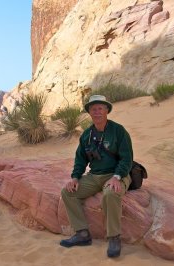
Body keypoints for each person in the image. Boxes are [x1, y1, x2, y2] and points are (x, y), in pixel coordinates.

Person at [60, 95, 133, 258]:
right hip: (95, 176)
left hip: (117, 174)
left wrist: (117, 177)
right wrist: (75, 178)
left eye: (100, 108)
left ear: (107, 110)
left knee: (110, 193)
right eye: (93, 109)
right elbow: (80, 159)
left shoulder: (118, 130)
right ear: (90, 113)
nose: (97, 112)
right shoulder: (86, 135)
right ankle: (82, 234)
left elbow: (127, 158)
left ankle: (114, 237)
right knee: (68, 193)